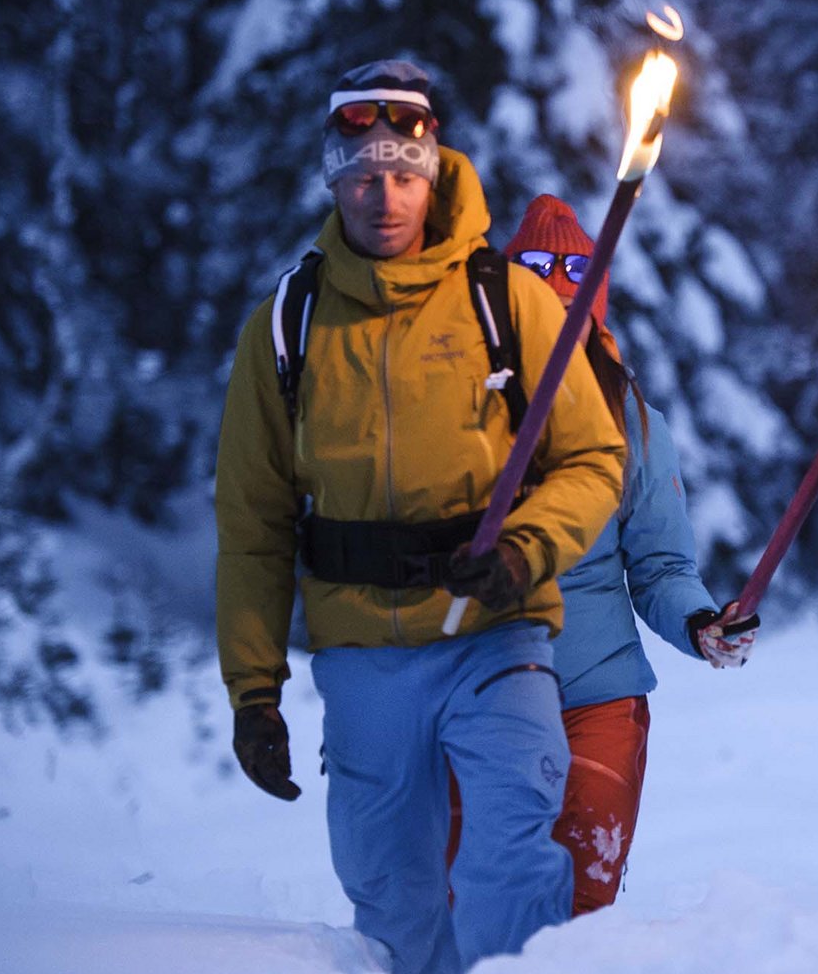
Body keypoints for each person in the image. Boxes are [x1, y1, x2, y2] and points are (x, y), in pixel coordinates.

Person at [214, 61, 626, 974]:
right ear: (335, 180)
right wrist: (254, 692)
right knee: (393, 894)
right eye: (362, 175)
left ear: (433, 173)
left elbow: (594, 460)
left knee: (511, 848)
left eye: (403, 173)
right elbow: (252, 523)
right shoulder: (288, 323)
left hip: (497, 633)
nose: (384, 196)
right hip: (361, 654)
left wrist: (524, 550)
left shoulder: (505, 299)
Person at [444, 194, 758, 915]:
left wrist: (700, 625)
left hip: (598, 699)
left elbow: (661, 568)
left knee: (580, 911)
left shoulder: (634, 421)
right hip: (478, 696)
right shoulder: (456, 409)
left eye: (570, 304)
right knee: (473, 907)